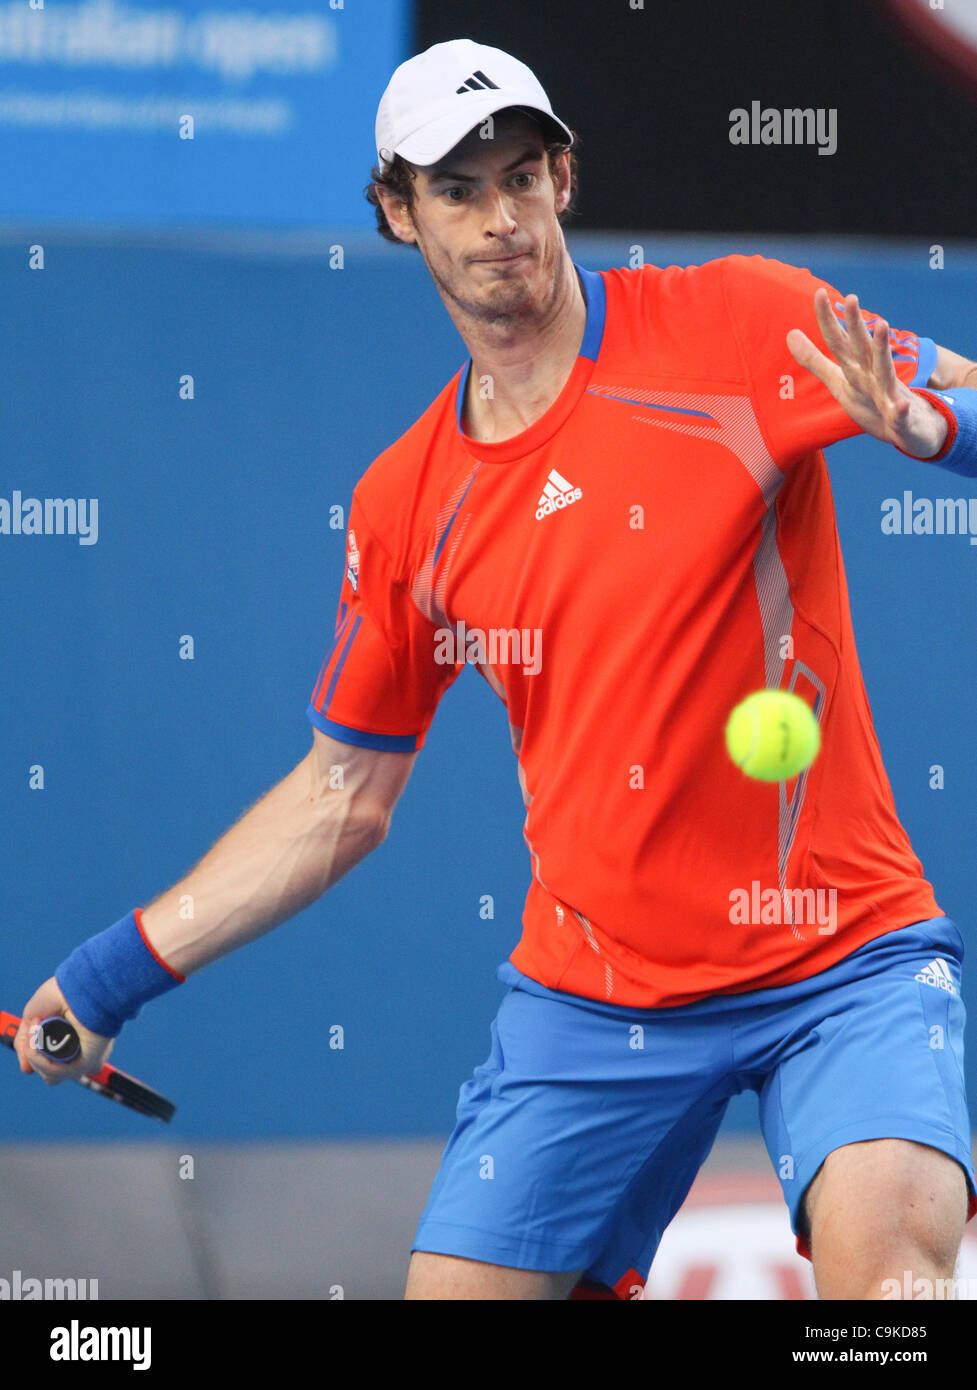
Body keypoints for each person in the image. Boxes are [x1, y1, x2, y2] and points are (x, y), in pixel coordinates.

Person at [16, 38, 977, 1302]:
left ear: (562, 179)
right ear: (397, 213)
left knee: (891, 1276)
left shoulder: (738, 322)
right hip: (593, 992)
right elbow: (337, 799)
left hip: (841, 953)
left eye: (519, 176)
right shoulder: (406, 505)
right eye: (456, 191)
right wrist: (105, 977)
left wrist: (937, 427)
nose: (499, 218)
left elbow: (954, 396)